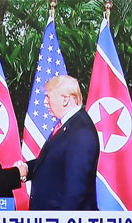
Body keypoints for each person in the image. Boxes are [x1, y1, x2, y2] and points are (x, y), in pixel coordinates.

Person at [26, 75, 100, 211]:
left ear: (65, 99)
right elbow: (54, 161)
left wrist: (61, 221)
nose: (45, 102)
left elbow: (75, 191)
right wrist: (26, 168)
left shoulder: (80, 133)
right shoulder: (69, 124)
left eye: (48, 97)